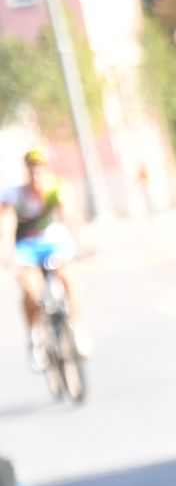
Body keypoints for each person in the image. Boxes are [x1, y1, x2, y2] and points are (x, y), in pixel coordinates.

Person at [2, 147, 90, 365]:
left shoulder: (58, 189)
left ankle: (77, 329)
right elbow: (7, 224)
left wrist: (81, 243)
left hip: (53, 242)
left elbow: (70, 215)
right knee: (32, 291)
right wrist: (6, 253)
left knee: (69, 278)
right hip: (26, 247)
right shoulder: (14, 195)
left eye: (40, 171)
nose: (36, 177)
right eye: (32, 172)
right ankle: (34, 338)